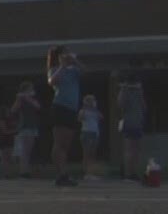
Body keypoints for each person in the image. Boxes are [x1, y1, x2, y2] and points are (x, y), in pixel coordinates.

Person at [46, 46, 83, 187]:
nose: (67, 55)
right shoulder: (55, 70)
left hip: (72, 109)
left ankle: (63, 172)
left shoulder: (73, 71)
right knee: (59, 143)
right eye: (64, 54)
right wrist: (62, 65)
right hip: (60, 107)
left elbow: (86, 71)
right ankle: (61, 174)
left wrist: (74, 61)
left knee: (66, 144)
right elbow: (52, 81)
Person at [117, 77, 147, 182]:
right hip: (129, 123)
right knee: (129, 149)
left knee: (137, 150)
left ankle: (134, 173)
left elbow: (144, 107)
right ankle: (128, 174)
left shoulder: (139, 94)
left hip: (138, 123)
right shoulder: (125, 93)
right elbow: (120, 104)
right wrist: (124, 88)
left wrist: (141, 92)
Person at [11, 80, 42, 179]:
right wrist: (20, 99)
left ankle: (26, 170)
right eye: (30, 88)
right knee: (25, 150)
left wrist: (28, 98)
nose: (32, 90)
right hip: (25, 126)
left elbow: (38, 106)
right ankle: (23, 172)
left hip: (33, 126)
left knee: (29, 150)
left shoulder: (31, 99)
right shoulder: (20, 99)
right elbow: (14, 110)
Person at [78, 94, 105, 181]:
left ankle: (92, 173)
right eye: (91, 100)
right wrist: (86, 108)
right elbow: (80, 118)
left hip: (95, 133)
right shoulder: (83, 111)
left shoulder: (95, 112)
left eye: (94, 100)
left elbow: (101, 117)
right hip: (86, 133)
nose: (94, 102)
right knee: (86, 154)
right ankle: (86, 173)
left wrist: (95, 109)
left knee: (93, 154)